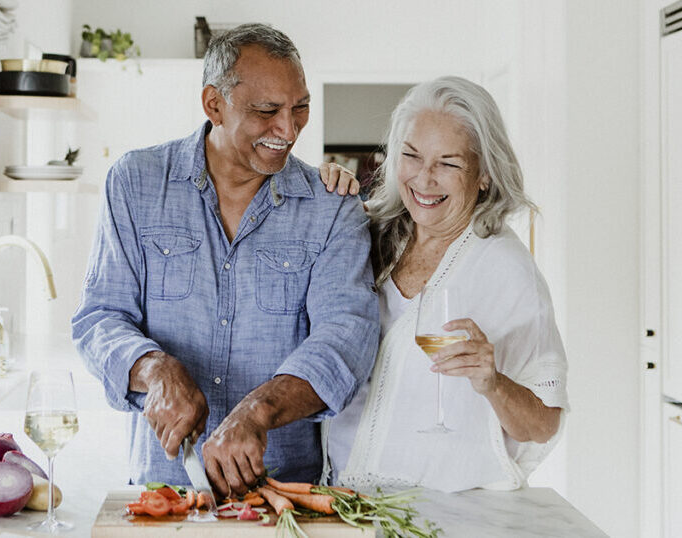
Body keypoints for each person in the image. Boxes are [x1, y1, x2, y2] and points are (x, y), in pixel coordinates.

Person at [71, 23, 379, 496]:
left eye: (300, 108)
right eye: (266, 111)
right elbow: (99, 318)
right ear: (213, 104)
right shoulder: (135, 183)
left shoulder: (332, 206)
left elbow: (345, 340)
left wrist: (258, 411)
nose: (288, 129)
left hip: (284, 496)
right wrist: (154, 369)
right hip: (163, 489)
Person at [320, 76, 568, 493]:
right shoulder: (370, 234)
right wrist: (322, 192)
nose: (424, 178)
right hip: (341, 498)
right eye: (412, 156)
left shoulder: (506, 270)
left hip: (442, 514)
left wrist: (493, 382)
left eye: (448, 164)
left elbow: (542, 424)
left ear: (484, 174)